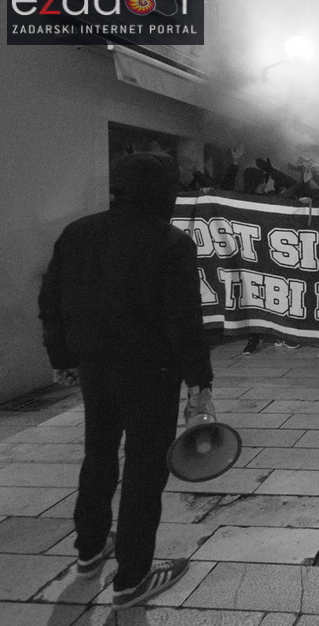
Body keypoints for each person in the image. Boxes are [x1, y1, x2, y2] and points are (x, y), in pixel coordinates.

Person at [38, 153, 209, 609]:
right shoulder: (170, 242)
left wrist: (61, 356)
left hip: (96, 367)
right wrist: (200, 382)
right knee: (144, 467)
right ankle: (131, 578)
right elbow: (183, 320)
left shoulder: (77, 233)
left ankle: (90, 551)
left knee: (98, 454)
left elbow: (50, 300)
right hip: (151, 372)